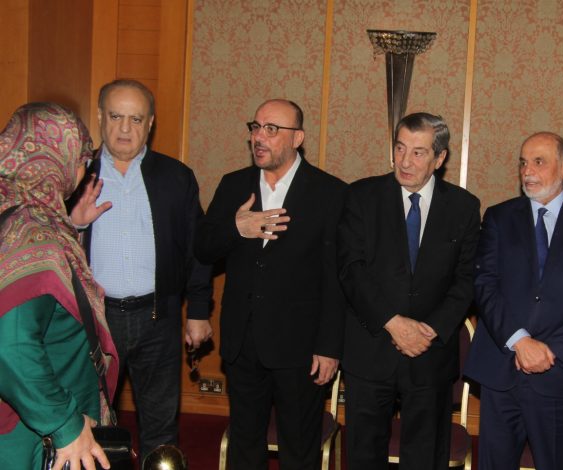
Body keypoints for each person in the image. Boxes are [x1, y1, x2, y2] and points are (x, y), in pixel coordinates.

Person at [195, 99, 346, 469]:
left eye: (272, 129)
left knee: (299, 448)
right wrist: (236, 228)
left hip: (301, 347)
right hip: (243, 340)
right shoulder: (234, 185)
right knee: (245, 446)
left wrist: (329, 347)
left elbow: (337, 278)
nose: (259, 137)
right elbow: (203, 247)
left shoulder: (330, 193)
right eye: (255, 127)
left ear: (298, 138)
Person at [464, 132, 563, 470]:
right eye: (523, 162)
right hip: (502, 370)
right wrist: (520, 341)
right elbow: (484, 284)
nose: (527, 171)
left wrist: (551, 350)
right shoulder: (498, 217)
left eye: (539, 162)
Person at [78, 79, 213, 460]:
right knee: (89, 423)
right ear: (100, 117)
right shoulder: (76, 175)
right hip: (92, 319)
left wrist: (198, 311)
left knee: (161, 426)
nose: (125, 128)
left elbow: (198, 249)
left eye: (135, 119)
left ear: (150, 123)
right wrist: (75, 225)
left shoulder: (176, 177)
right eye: (116, 116)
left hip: (158, 318)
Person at [338, 112, 480, 470]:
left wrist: (429, 330)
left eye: (418, 152)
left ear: (440, 158)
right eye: (400, 148)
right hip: (370, 349)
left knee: (425, 456)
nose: (404, 161)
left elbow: (466, 280)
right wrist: (392, 322)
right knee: (363, 455)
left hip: (430, 355)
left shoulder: (463, 207)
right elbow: (351, 269)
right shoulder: (361, 196)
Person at [0, 102, 118, 470]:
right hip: (32, 432)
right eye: (82, 160)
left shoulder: (15, 212)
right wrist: (64, 424)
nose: (83, 172)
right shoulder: (32, 231)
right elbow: (10, 345)